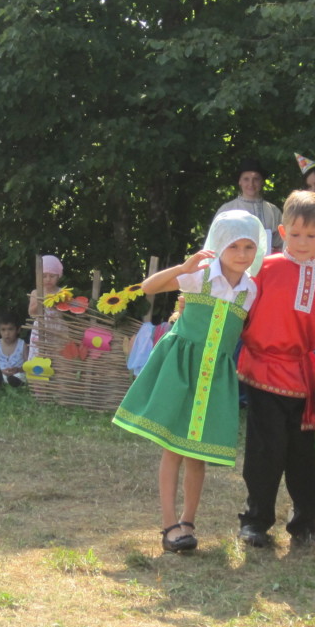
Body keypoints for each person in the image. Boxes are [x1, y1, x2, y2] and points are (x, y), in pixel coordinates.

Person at [113, 211, 267, 552]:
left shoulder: (251, 290)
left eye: (249, 247)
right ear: (219, 245)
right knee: (173, 446)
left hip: (215, 375)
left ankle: (188, 521)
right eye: (234, 246)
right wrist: (182, 268)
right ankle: (169, 524)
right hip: (182, 367)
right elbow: (149, 287)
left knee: (197, 453)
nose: (242, 254)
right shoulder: (200, 276)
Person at [236, 190, 315, 549]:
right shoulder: (262, 270)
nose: (302, 242)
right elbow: (235, 310)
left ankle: (305, 523)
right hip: (263, 371)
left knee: (302, 455)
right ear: (282, 232)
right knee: (264, 451)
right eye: (295, 234)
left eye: (311, 235)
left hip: (304, 376)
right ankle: (255, 520)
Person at [215, 158, 283, 254]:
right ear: (240, 181)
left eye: (256, 179)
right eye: (246, 179)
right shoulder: (226, 210)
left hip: (267, 261)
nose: (251, 184)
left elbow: (283, 243)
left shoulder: (273, 211)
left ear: (262, 182)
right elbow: (216, 243)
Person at [27, 254, 65, 360]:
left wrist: (57, 302)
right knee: (39, 355)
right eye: (44, 276)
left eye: (52, 276)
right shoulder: (36, 293)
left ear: (58, 276)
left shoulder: (62, 292)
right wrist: (42, 302)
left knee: (58, 356)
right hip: (41, 328)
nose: (48, 279)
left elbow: (65, 312)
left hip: (58, 329)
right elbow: (31, 312)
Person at [0, 313, 27, 389]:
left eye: (10, 329)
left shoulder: (22, 344)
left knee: (20, 376)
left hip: (17, 373)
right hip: (2, 373)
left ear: (18, 330)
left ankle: (16, 383)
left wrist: (18, 369)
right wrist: (1, 371)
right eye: (3, 330)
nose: (7, 333)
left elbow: (27, 364)